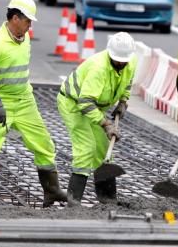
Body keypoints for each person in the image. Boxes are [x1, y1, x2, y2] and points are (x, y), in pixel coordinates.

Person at [0, 0, 69, 207]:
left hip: (25, 101)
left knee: (44, 144)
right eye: (27, 21)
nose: (30, 25)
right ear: (15, 18)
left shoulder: (25, 38)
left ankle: (51, 190)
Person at [57, 32, 137, 203]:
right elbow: (84, 103)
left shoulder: (130, 62)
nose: (122, 63)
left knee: (102, 148)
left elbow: (127, 82)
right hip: (73, 104)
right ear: (110, 54)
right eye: (118, 60)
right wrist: (106, 124)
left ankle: (107, 199)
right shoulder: (98, 68)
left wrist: (123, 101)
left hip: (95, 106)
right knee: (86, 148)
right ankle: (74, 200)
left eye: (125, 61)